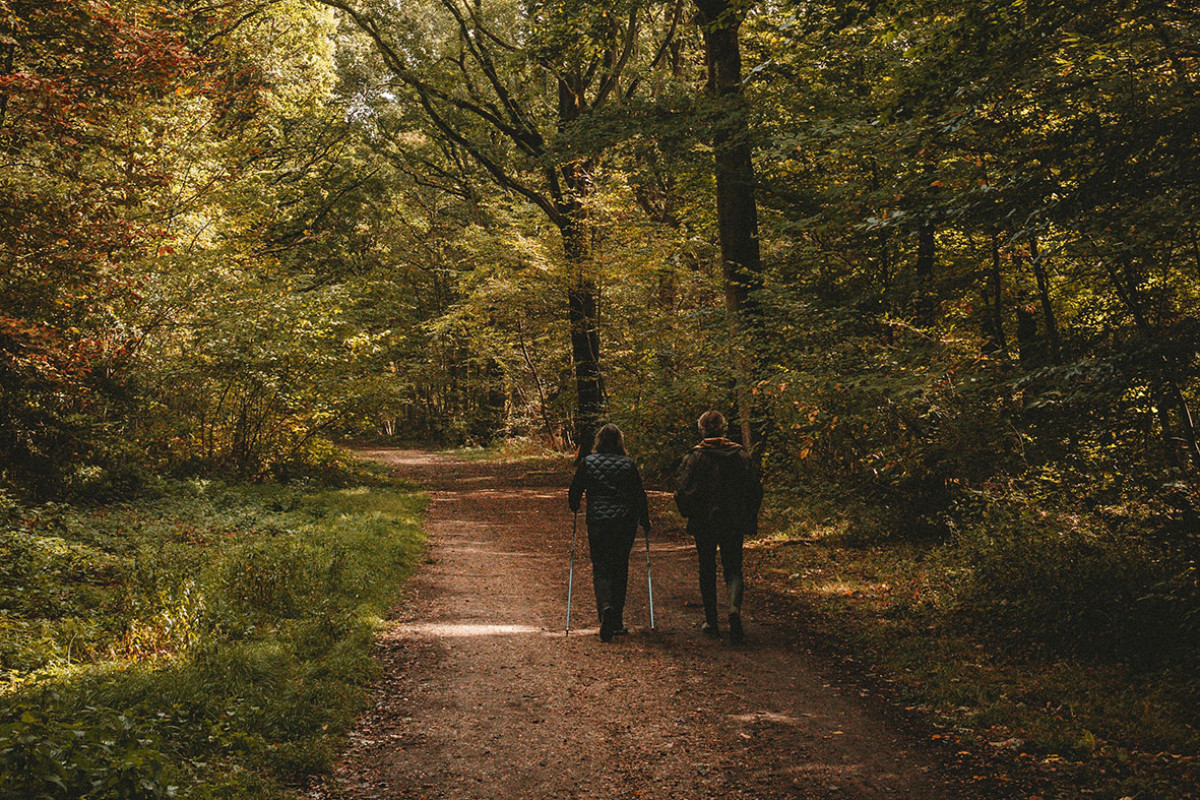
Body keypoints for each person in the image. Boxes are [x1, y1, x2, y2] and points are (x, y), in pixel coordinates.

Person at [675, 410, 762, 644]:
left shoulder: (694, 457)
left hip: (704, 522)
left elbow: (681, 489)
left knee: (707, 568)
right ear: (723, 428)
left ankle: (712, 621)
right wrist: (749, 514)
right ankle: (734, 609)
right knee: (733, 568)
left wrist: (688, 512)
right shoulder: (741, 455)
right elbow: (755, 488)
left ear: (701, 429)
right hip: (733, 521)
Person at [568, 423, 652, 642]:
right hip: (625, 523)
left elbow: (576, 488)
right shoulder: (628, 465)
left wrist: (574, 504)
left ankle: (605, 607)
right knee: (620, 568)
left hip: (599, 522)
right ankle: (617, 621)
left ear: (599, 441)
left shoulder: (588, 462)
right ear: (619, 442)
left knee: (601, 567)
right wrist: (645, 519)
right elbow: (639, 494)